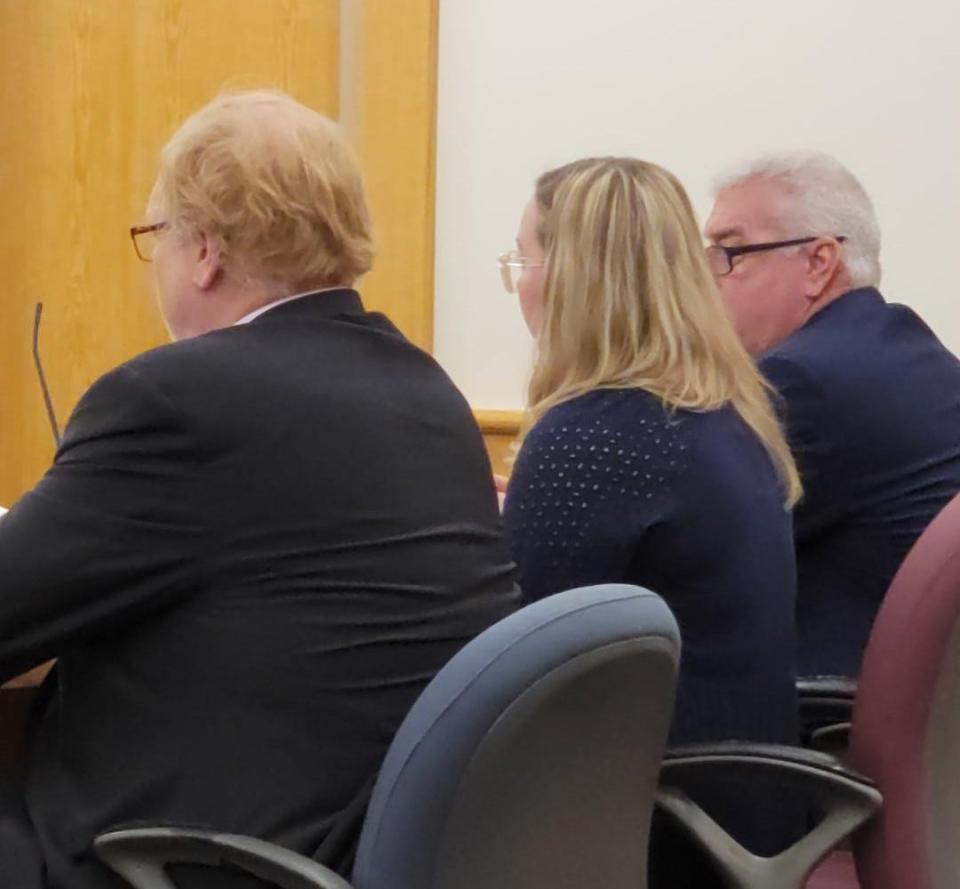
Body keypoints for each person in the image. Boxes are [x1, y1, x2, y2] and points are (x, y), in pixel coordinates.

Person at [0, 90, 518, 889]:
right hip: (344, 850)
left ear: (204, 249)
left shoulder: (177, 400)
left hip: (185, 856)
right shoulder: (429, 395)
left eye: (157, 237)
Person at [499, 157, 801, 880]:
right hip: (742, 816)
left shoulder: (591, 434)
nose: (520, 284)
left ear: (575, 277)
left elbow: (508, 667)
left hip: (652, 833)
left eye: (524, 259)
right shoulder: (727, 417)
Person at [706, 150, 960, 677]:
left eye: (729, 252)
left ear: (819, 263)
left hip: (827, 721)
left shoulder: (798, 381)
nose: (709, 279)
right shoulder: (912, 351)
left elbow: (691, 554)